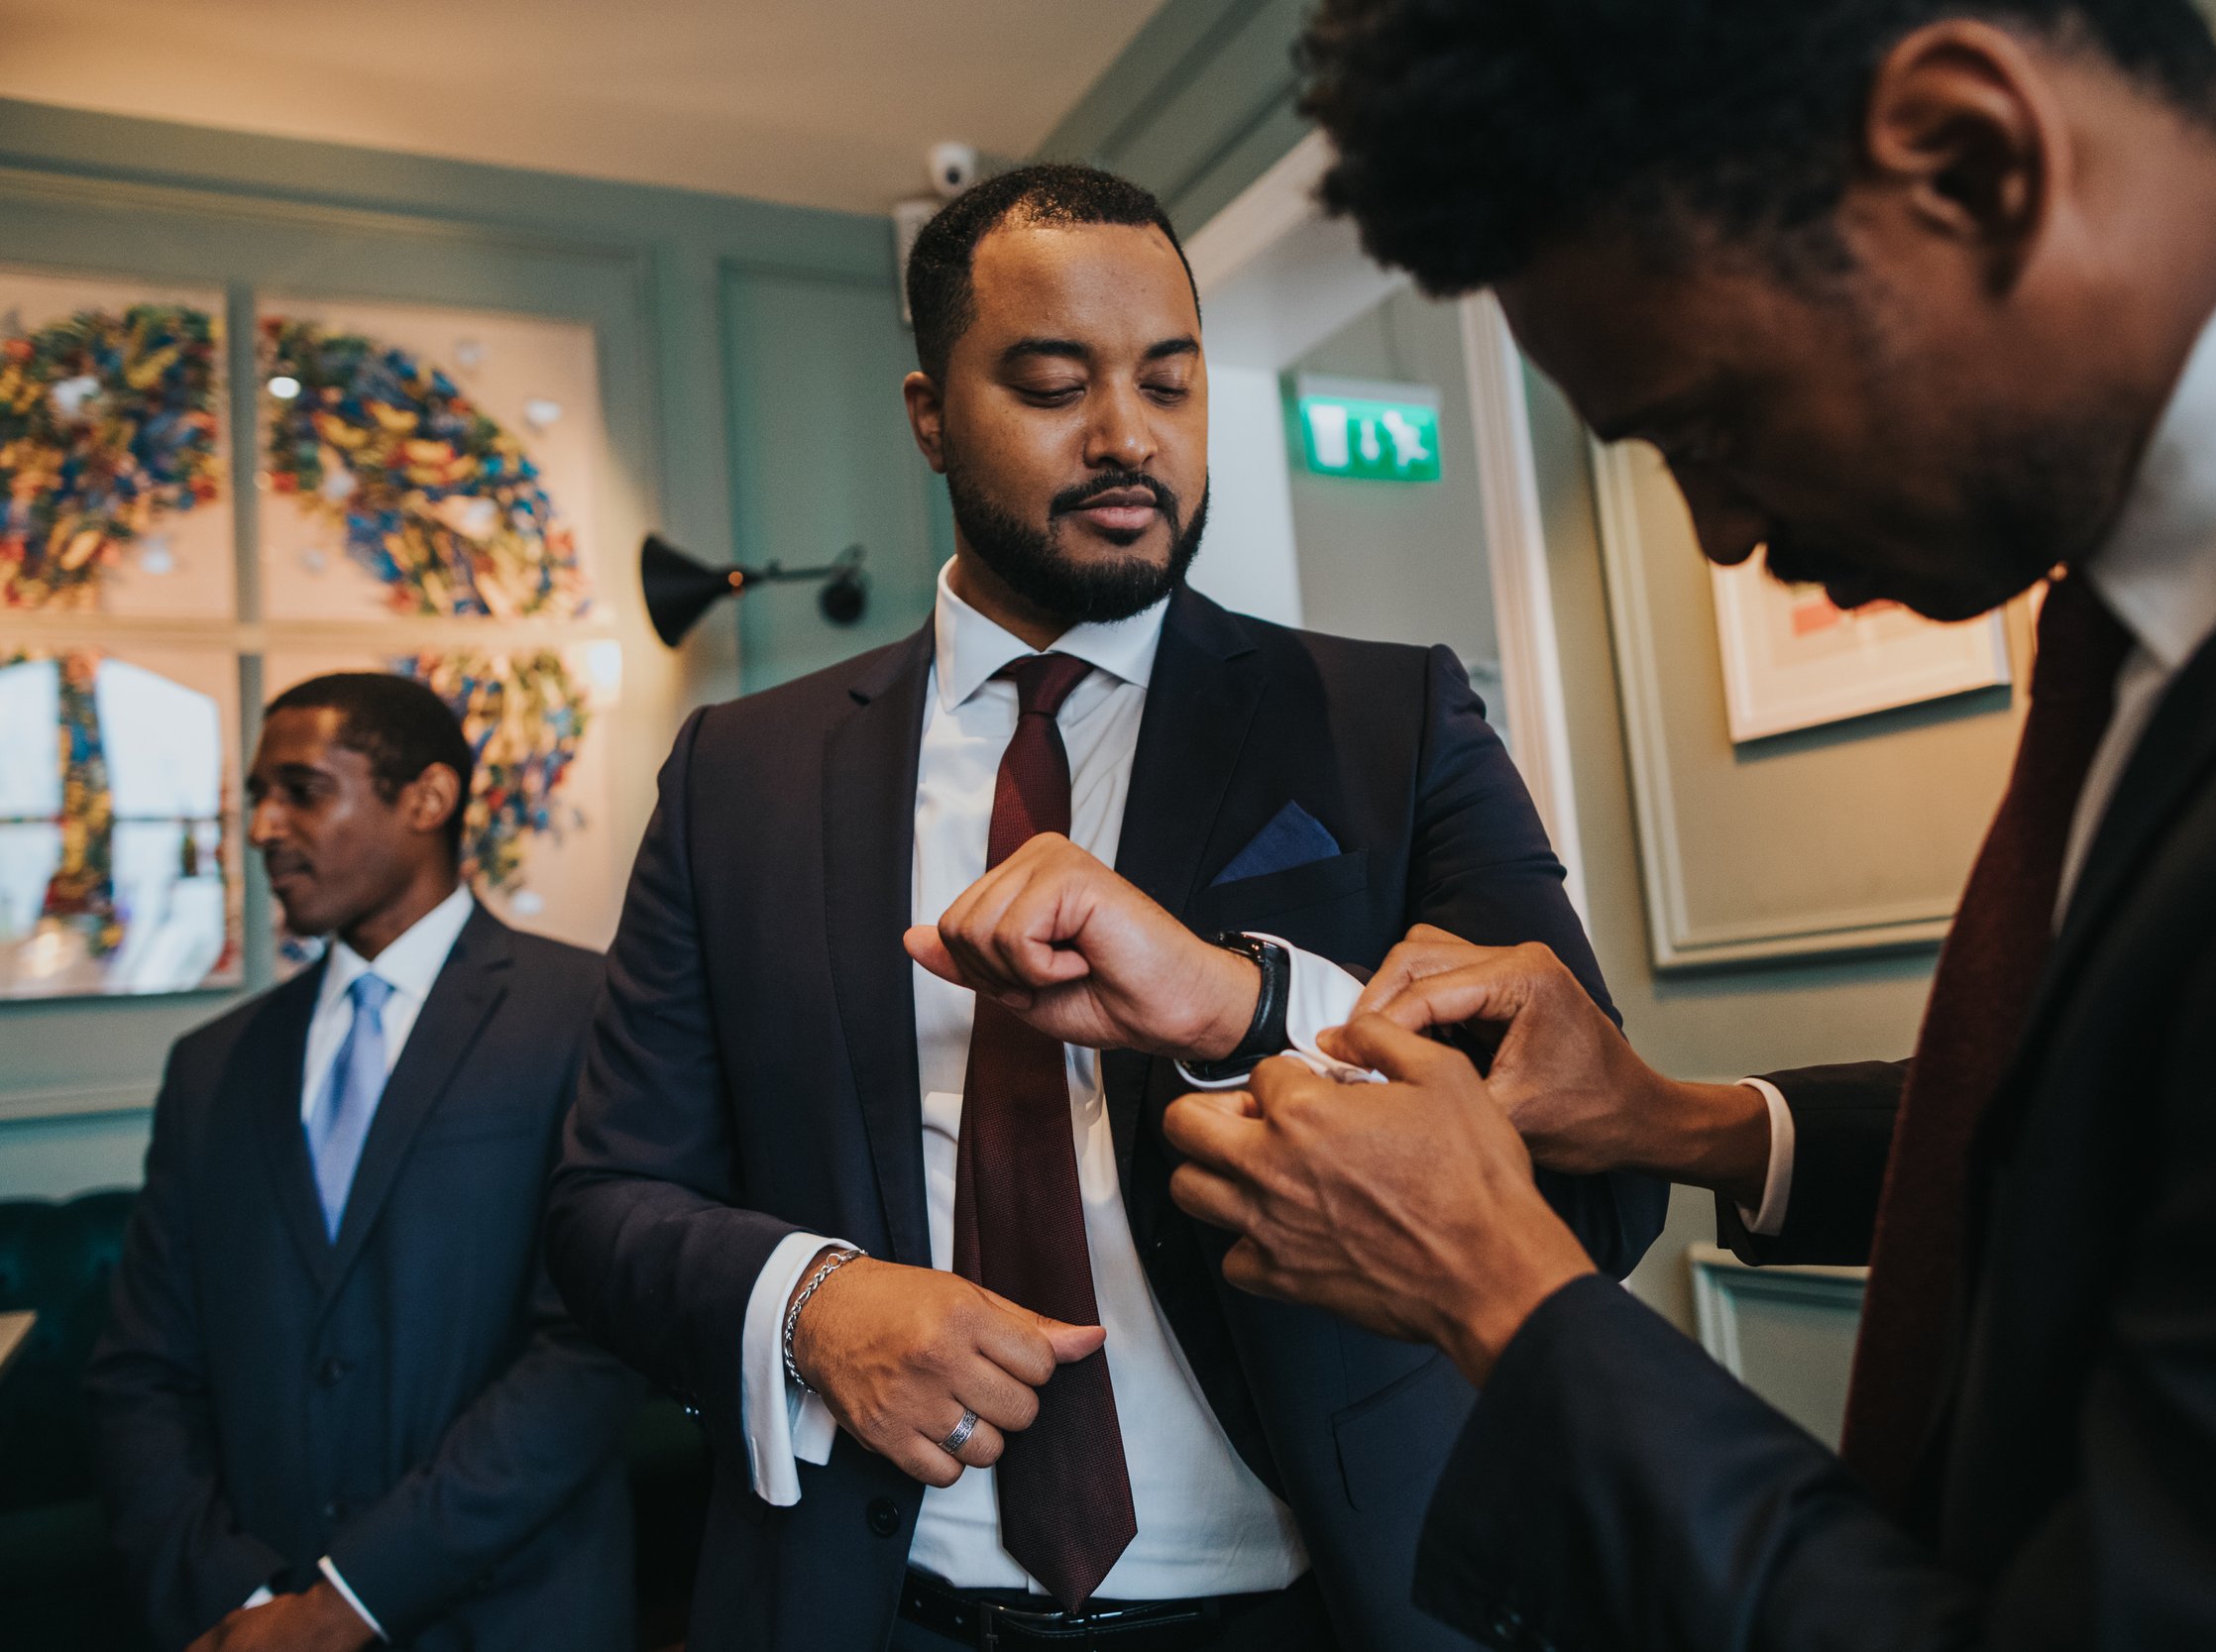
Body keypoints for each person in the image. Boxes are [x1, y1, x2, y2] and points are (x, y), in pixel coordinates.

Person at [1152, 1, 2216, 1647]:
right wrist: (1678, 1120)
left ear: (1968, 162)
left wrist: (1497, 1291)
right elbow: (2211, 1125)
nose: (1717, 531)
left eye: (1707, 426)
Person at [544, 163, 1665, 1652]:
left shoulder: (1388, 718)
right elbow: (606, 1201)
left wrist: (1249, 998)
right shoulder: (738, 774)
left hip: (1321, 1603)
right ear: (930, 411)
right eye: (1054, 383)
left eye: (1171, 383)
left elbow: (1596, 1171)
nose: (1129, 437)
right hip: (871, 1608)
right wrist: (813, 1308)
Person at [86, 674, 644, 1652]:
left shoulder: (589, 1013)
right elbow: (142, 1370)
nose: (261, 826)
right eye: (255, 795)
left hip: (508, 1612)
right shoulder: (213, 1065)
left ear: (426, 798)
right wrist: (245, 1601)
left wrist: (348, 1601)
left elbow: (591, 1350)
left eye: (301, 789)